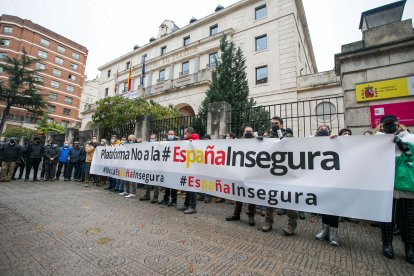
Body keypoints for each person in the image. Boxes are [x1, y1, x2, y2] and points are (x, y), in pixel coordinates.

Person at [376, 114, 414, 264]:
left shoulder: (410, 138)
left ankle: (409, 247)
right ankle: (387, 243)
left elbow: (411, 156)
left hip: (405, 184)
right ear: (380, 126)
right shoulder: (376, 139)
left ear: (398, 124)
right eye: (385, 124)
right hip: (385, 184)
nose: (389, 126)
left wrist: (401, 144)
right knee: (387, 215)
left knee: (408, 217)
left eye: (391, 123)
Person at [260, 116, 301, 235]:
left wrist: (278, 134)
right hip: (272, 171)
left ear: (281, 125)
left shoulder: (287, 135)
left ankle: (291, 224)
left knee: (290, 198)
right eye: (272, 123)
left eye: (276, 123)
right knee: (270, 197)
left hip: (286, 172)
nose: (274, 125)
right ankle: (268, 221)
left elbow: (288, 144)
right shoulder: (268, 136)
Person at [314, 124, 341, 246]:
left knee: (334, 205)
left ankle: (333, 234)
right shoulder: (313, 141)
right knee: (324, 205)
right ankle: (325, 230)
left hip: (334, 179)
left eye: (325, 129)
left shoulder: (335, 140)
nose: (322, 130)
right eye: (320, 129)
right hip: (320, 179)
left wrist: (336, 139)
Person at [225, 126, 257, 226]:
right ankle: (236, 214)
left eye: (250, 131)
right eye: (246, 131)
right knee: (238, 193)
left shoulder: (258, 142)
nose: (248, 132)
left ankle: (251, 215)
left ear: (253, 132)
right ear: (243, 133)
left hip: (252, 173)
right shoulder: (238, 142)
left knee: (252, 195)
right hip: (240, 172)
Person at [177, 127, 199, 214]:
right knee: (187, 186)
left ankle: (193, 206)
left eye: (185, 133)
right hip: (188, 166)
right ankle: (186, 204)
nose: (184, 134)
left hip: (193, 167)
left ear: (190, 133)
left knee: (191, 186)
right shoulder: (186, 141)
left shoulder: (196, 140)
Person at [158, 130, 178, 206]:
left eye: (171, 134)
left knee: (173, 184)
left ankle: (174, 200)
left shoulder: (178, 142)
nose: (170, 135)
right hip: (167, 166)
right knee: (166, 183)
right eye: (169, 134)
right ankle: (166, 199)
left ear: (174, 134)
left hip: (175, 167)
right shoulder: (165, 142)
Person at [140, 134, 160, 202]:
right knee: (148, 179)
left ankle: (155, 196)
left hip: (157, 166)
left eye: (153, 138)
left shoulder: (159, 145)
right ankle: (147, 195)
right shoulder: (148, 145)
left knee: (156, 181)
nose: (151, 139)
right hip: (149, 166)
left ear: (156, 139)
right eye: (151, 138)